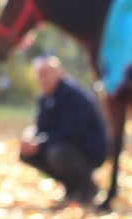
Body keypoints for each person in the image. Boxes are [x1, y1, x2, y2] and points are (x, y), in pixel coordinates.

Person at [19, 56, 107, 206]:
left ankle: (87, 187)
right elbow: (40, 127)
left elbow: (72, 132)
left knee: (57, 153)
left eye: (47, 73)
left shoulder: (72, 95)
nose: (43, 78)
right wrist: (30, 136)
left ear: (59, 72)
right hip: (65, 147)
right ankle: (72, 187)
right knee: (27, 153)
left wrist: (41, 143)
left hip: (89, 150)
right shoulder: (45, 98)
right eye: (40, 74)